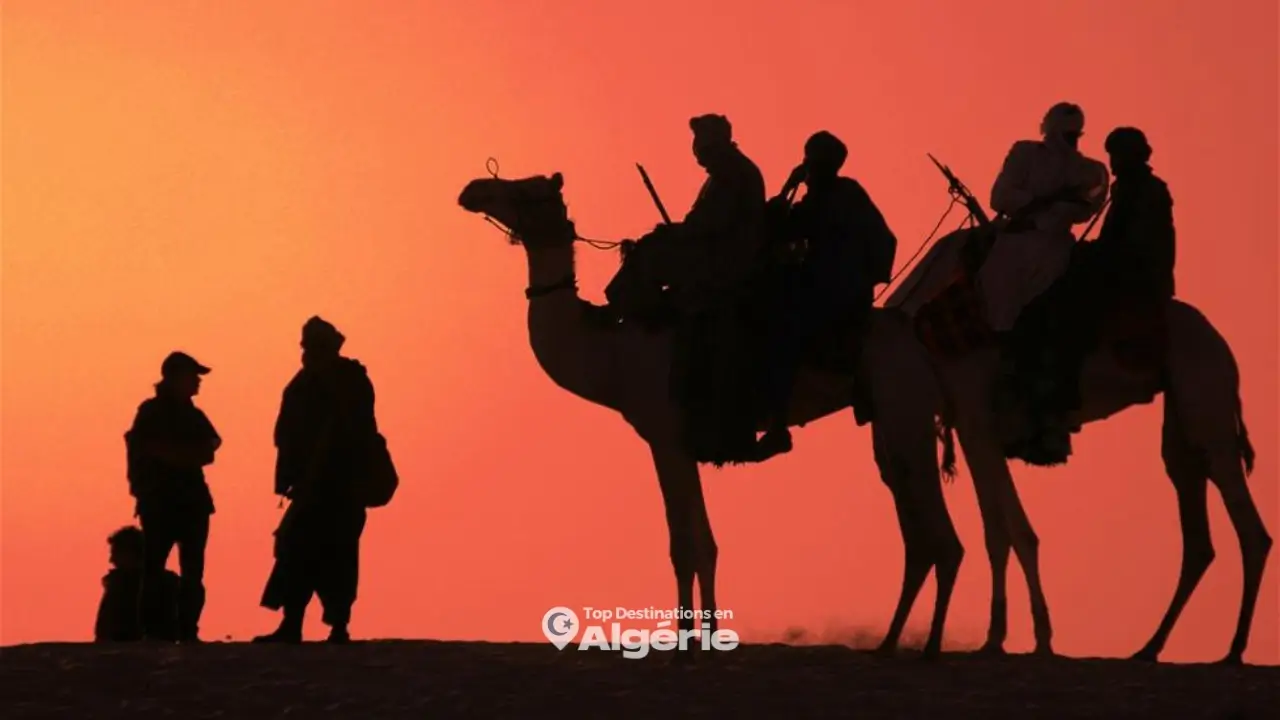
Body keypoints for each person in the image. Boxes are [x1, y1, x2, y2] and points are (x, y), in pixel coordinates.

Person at [755, 131, 898, 460]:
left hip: (832, 293)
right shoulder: (847, 193)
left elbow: (778, 225)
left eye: (809, 162)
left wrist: (788, 187)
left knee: (777, 327)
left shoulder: (827, 199)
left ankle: (777, 424)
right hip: (848, 289)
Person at [254, 317, 378, 644]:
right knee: (296, 554)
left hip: (340, 487)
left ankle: (336, 626)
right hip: (313, 487)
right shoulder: (306, 383)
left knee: (335, 557)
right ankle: (293, 624)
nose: (306, 352)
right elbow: (289, 435)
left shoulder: (348, 381)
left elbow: (355, 432)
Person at [1041, 126, 1177, 413]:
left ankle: (1065, 386)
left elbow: (1127, 244)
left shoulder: (1145, 191)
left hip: (1136, 275)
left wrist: (1089, 254)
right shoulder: (1131, 188)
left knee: (1068, 303)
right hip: (1129, 267)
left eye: (1116, 156)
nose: (1113, 164)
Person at [977, 102, 1110, 334]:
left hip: (1053, 246)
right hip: (1012, 237)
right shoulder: (1024, 153)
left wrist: (1037, 209)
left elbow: (1081, 210)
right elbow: (1000, 197)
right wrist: (1047, 200)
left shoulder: (1090, 171)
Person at [123, 351, 220, 643]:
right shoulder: (152, 412)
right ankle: (153, 631)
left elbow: (211, 445)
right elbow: (150, 449)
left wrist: (187, 455)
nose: (198, 383)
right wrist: (183, 456)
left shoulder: (193, 414)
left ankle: (188, 629)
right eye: (193, 377)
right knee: (155, 568)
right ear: (176, 378)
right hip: (161, 501)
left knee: (192, 570)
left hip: (191, 502)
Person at [94, 525, 180, 642]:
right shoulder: (169, 582)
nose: (112, 560)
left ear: (130, 554)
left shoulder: (118, 585)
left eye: (116, 553)